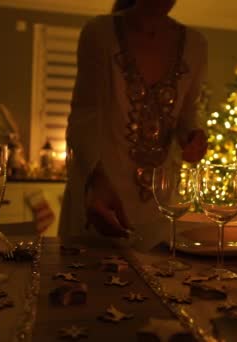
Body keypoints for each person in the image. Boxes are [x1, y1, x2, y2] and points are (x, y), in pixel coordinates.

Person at [59, 0, 208, 239]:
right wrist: (96, 178)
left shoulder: (195, 46)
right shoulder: (100, 34)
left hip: (160, 202)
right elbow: (84, 114)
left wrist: (194, 137)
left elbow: (188, 113)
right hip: (100, 195)